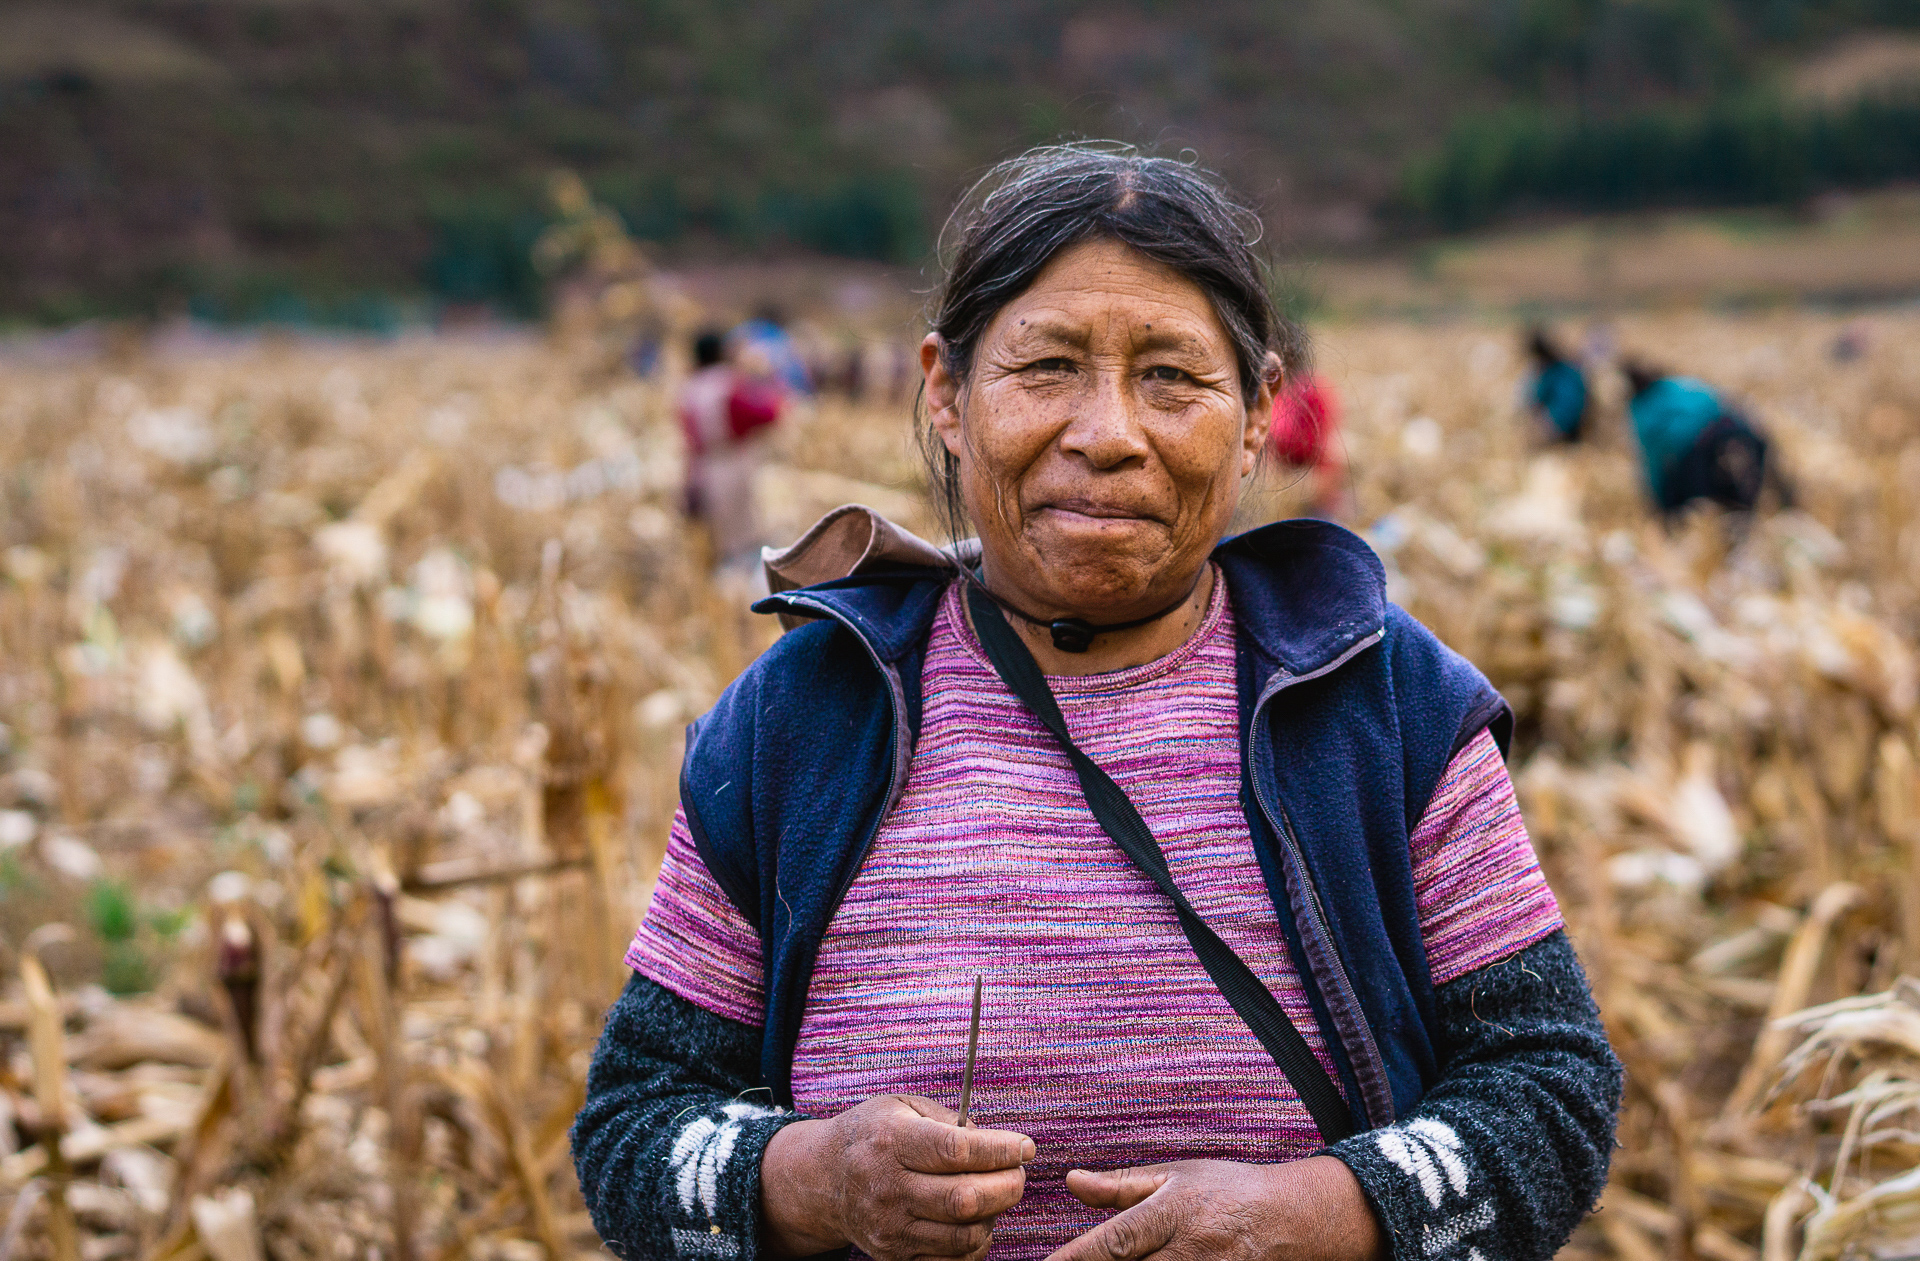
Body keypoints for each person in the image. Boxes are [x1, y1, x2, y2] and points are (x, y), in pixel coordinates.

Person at [575, 145, 1620, 1261]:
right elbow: (635, 1127)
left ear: (1262, 409)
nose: (1109, 433)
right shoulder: (806, 719)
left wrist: (1312, 1215)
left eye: (1172, 375)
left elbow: (1552, 1096)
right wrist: (816, 1178)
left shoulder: (1384, 705)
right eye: (1048, 368)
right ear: (946, 392)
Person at [1622, 359, 1781, 517]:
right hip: (1732, 426)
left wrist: (1661, 503)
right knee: (1748, 484)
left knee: (1696, 497)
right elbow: (1723, 400)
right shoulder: (1680, 383)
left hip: (1696, 445)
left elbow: (1653, 460)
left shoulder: (1641, 408)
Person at [678, 329, 782, 565]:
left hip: (704, 464)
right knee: (742, 532)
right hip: (732, 460)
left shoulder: (689, 388)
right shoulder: (728, 384)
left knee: (715, 531)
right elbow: (766, 413)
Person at [1268, 372, 1350, 519]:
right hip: (1284, 470)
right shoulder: (1275, 391)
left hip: (1313, 470)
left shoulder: (1315, 391)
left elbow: (1327, 443)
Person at [1524, 328, 1588, 443]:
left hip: (1560, 424)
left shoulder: (1547, 373)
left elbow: (1537, 399)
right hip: (1580, 421)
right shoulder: (1569, 367)